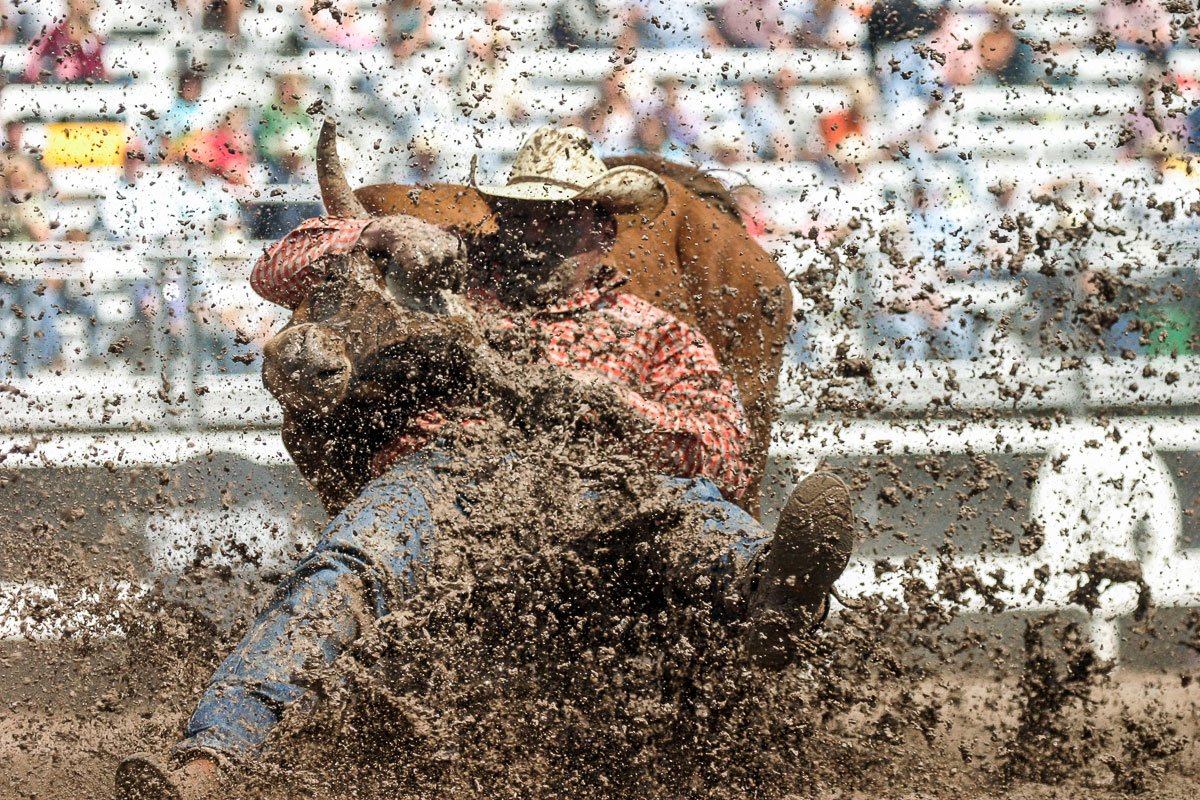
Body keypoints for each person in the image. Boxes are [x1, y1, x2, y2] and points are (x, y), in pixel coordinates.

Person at [113, 126, 856, 799]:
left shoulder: (655, 334)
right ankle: (205, 767)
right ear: (499, 217)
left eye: (555, 217)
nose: (533, 232)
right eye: (519, 214)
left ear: (601, 226)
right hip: (447, 477)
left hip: (610, 487)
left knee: (700, 515)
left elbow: (720, 452)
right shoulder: (436, 285)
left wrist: (616, 406)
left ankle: (774, 589)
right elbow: (277, 272)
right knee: (345, 565)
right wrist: (381, 230)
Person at [23, 0, 107, 84]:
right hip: (63, 86)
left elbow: (99, 69)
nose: (85, 4)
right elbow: (34, 60)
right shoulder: (57, 32)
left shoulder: (94, 37)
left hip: (89, 86)